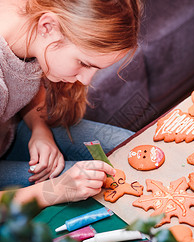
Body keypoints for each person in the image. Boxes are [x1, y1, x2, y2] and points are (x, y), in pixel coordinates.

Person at [0, 0, 141, 208]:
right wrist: (55, 190)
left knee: (133, 149)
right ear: (48, 27)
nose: (85, 81)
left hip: (11, 134)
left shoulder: (31, 27)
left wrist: (39, 128)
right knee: (98, 185)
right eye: (84, 63)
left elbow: (24, 78)